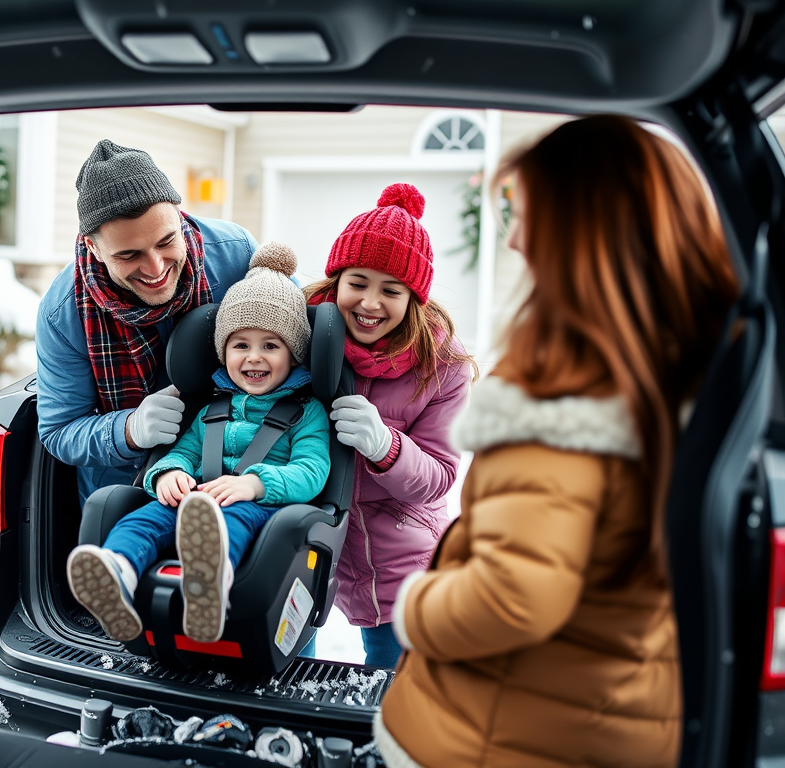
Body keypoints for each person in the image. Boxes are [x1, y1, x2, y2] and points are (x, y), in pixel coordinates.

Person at [375, 115, 740, 768]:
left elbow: (511, 597)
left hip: (498, 734)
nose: (514, 241)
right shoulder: (693, 369)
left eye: (528, 215)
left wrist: (420, 606)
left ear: (584, 235)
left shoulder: (564, 398)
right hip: (612, 714)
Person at [66, 243, 331, 645]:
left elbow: (312, 472)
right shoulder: (212, 407)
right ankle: (117, 571)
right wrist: (167, 474)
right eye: (240, 345)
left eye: (270, 346)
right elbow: (186, 451)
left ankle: (209, 582)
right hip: (193, 503)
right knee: (143, 520)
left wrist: (254, 484)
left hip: (261, 511)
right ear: (223, 353)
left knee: (230, 520)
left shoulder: (305, 411)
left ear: (294, 354)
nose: (253, 357)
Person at [302, 182, 476, 668]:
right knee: (284, 672)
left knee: (398, 690)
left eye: (391, 290)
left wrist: (386, 446)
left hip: (399, 553)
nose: (370, 303)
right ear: (338, 279)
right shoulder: (302, 332)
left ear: (413, 297)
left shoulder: (442, 366)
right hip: (304, 539)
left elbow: (440, 476)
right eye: (358, 282)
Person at [36, 140, 257, 507]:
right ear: (93, 248)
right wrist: (129, 429)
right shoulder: (64, 314)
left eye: (166, 241)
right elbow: (60, 431)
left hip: (239, 474)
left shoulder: (237, 255)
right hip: (129, 489)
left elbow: (295, 339)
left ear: (177, 214)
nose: (155, 268)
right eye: (129, 254)